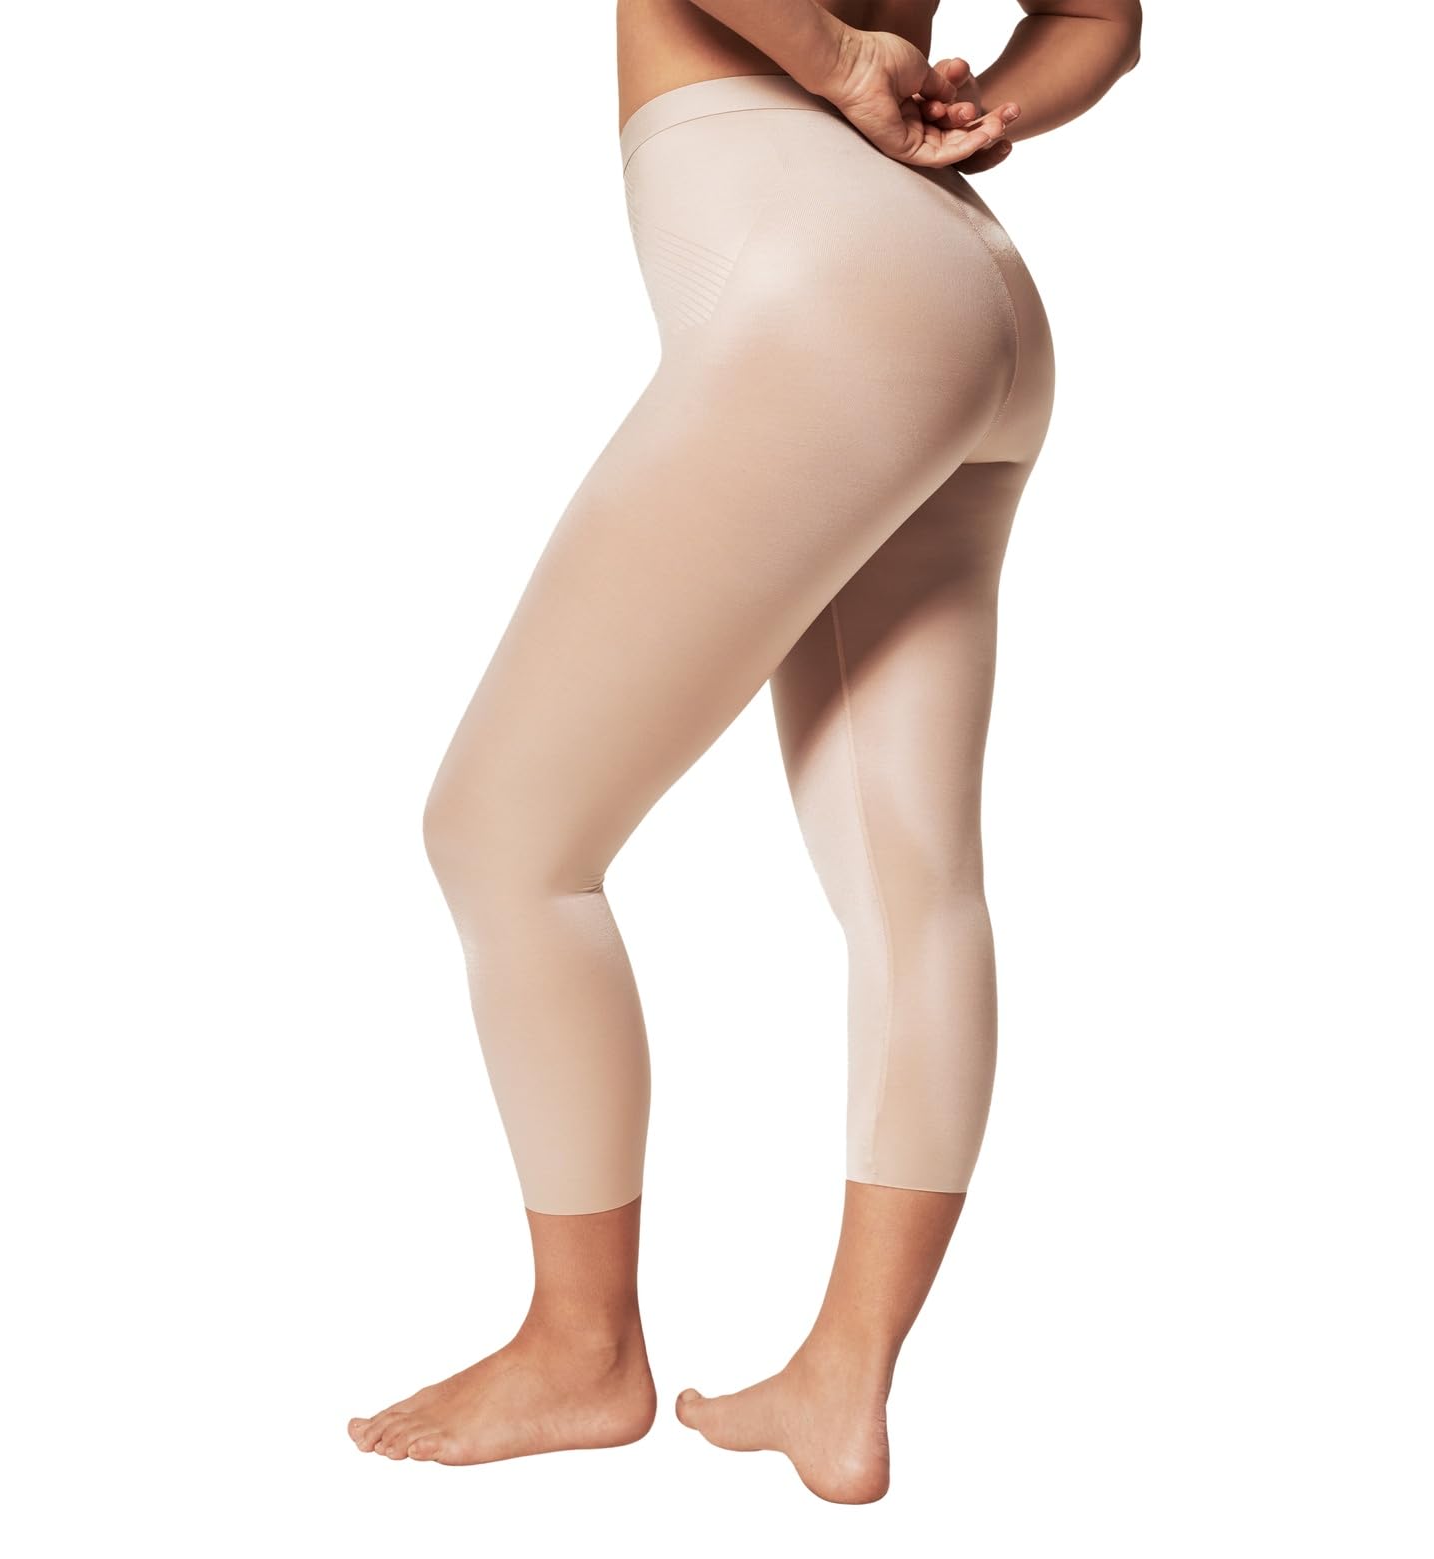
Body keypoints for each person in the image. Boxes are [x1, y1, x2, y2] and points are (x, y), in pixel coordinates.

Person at [348, 0, 1142, 1503]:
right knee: (911, 887)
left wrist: (840, 64)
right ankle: (842, 1383)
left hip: (828, 274)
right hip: (970, 283)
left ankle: (581, 1349)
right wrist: (981, 109)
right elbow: (1103, 17)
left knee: (504, 843)